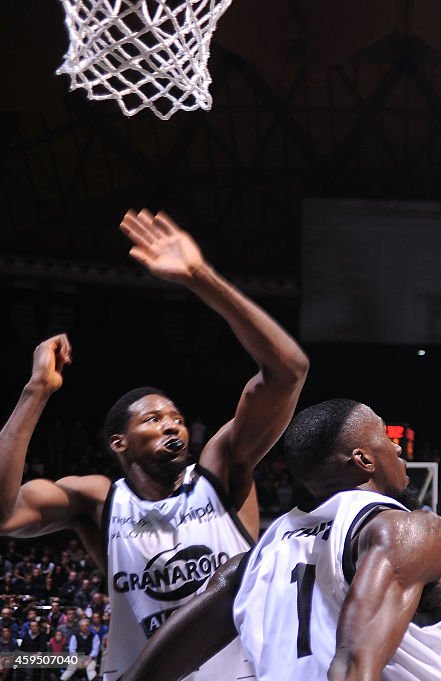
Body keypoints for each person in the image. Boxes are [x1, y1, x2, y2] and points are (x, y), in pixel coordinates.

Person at [0, 209, 309, 681]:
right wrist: (35, 391)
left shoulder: (222, 471)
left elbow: (288, 370)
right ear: (119, 442)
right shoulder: (98, 501)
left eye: (177, 419)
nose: (173, 426)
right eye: (154, 418)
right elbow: (4, 515)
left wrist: (200, 277)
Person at [119, 399, 441, 681]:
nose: (397, 448)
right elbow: (352, 666)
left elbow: (144, 674)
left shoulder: (248, 565)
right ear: (364, 459)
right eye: (386, 435)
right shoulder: (409, 529)